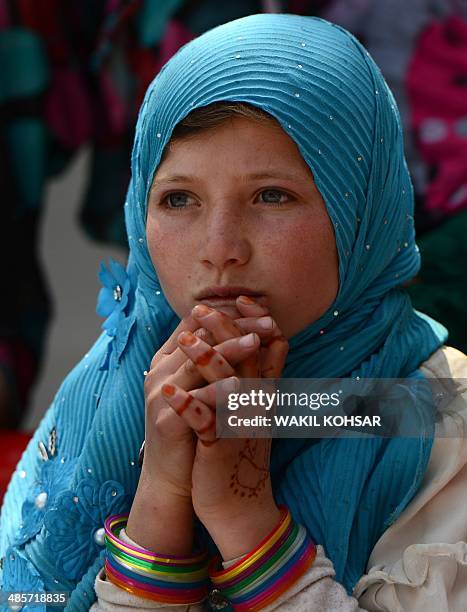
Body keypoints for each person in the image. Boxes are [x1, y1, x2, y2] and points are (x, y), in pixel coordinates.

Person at [1, 13, 466, 611]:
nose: (220, 249)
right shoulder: (110, 395)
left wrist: (243, 515)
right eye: (178, 199)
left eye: (272, 196)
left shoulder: (432, 413)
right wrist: (160, 501)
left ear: (361, 213)